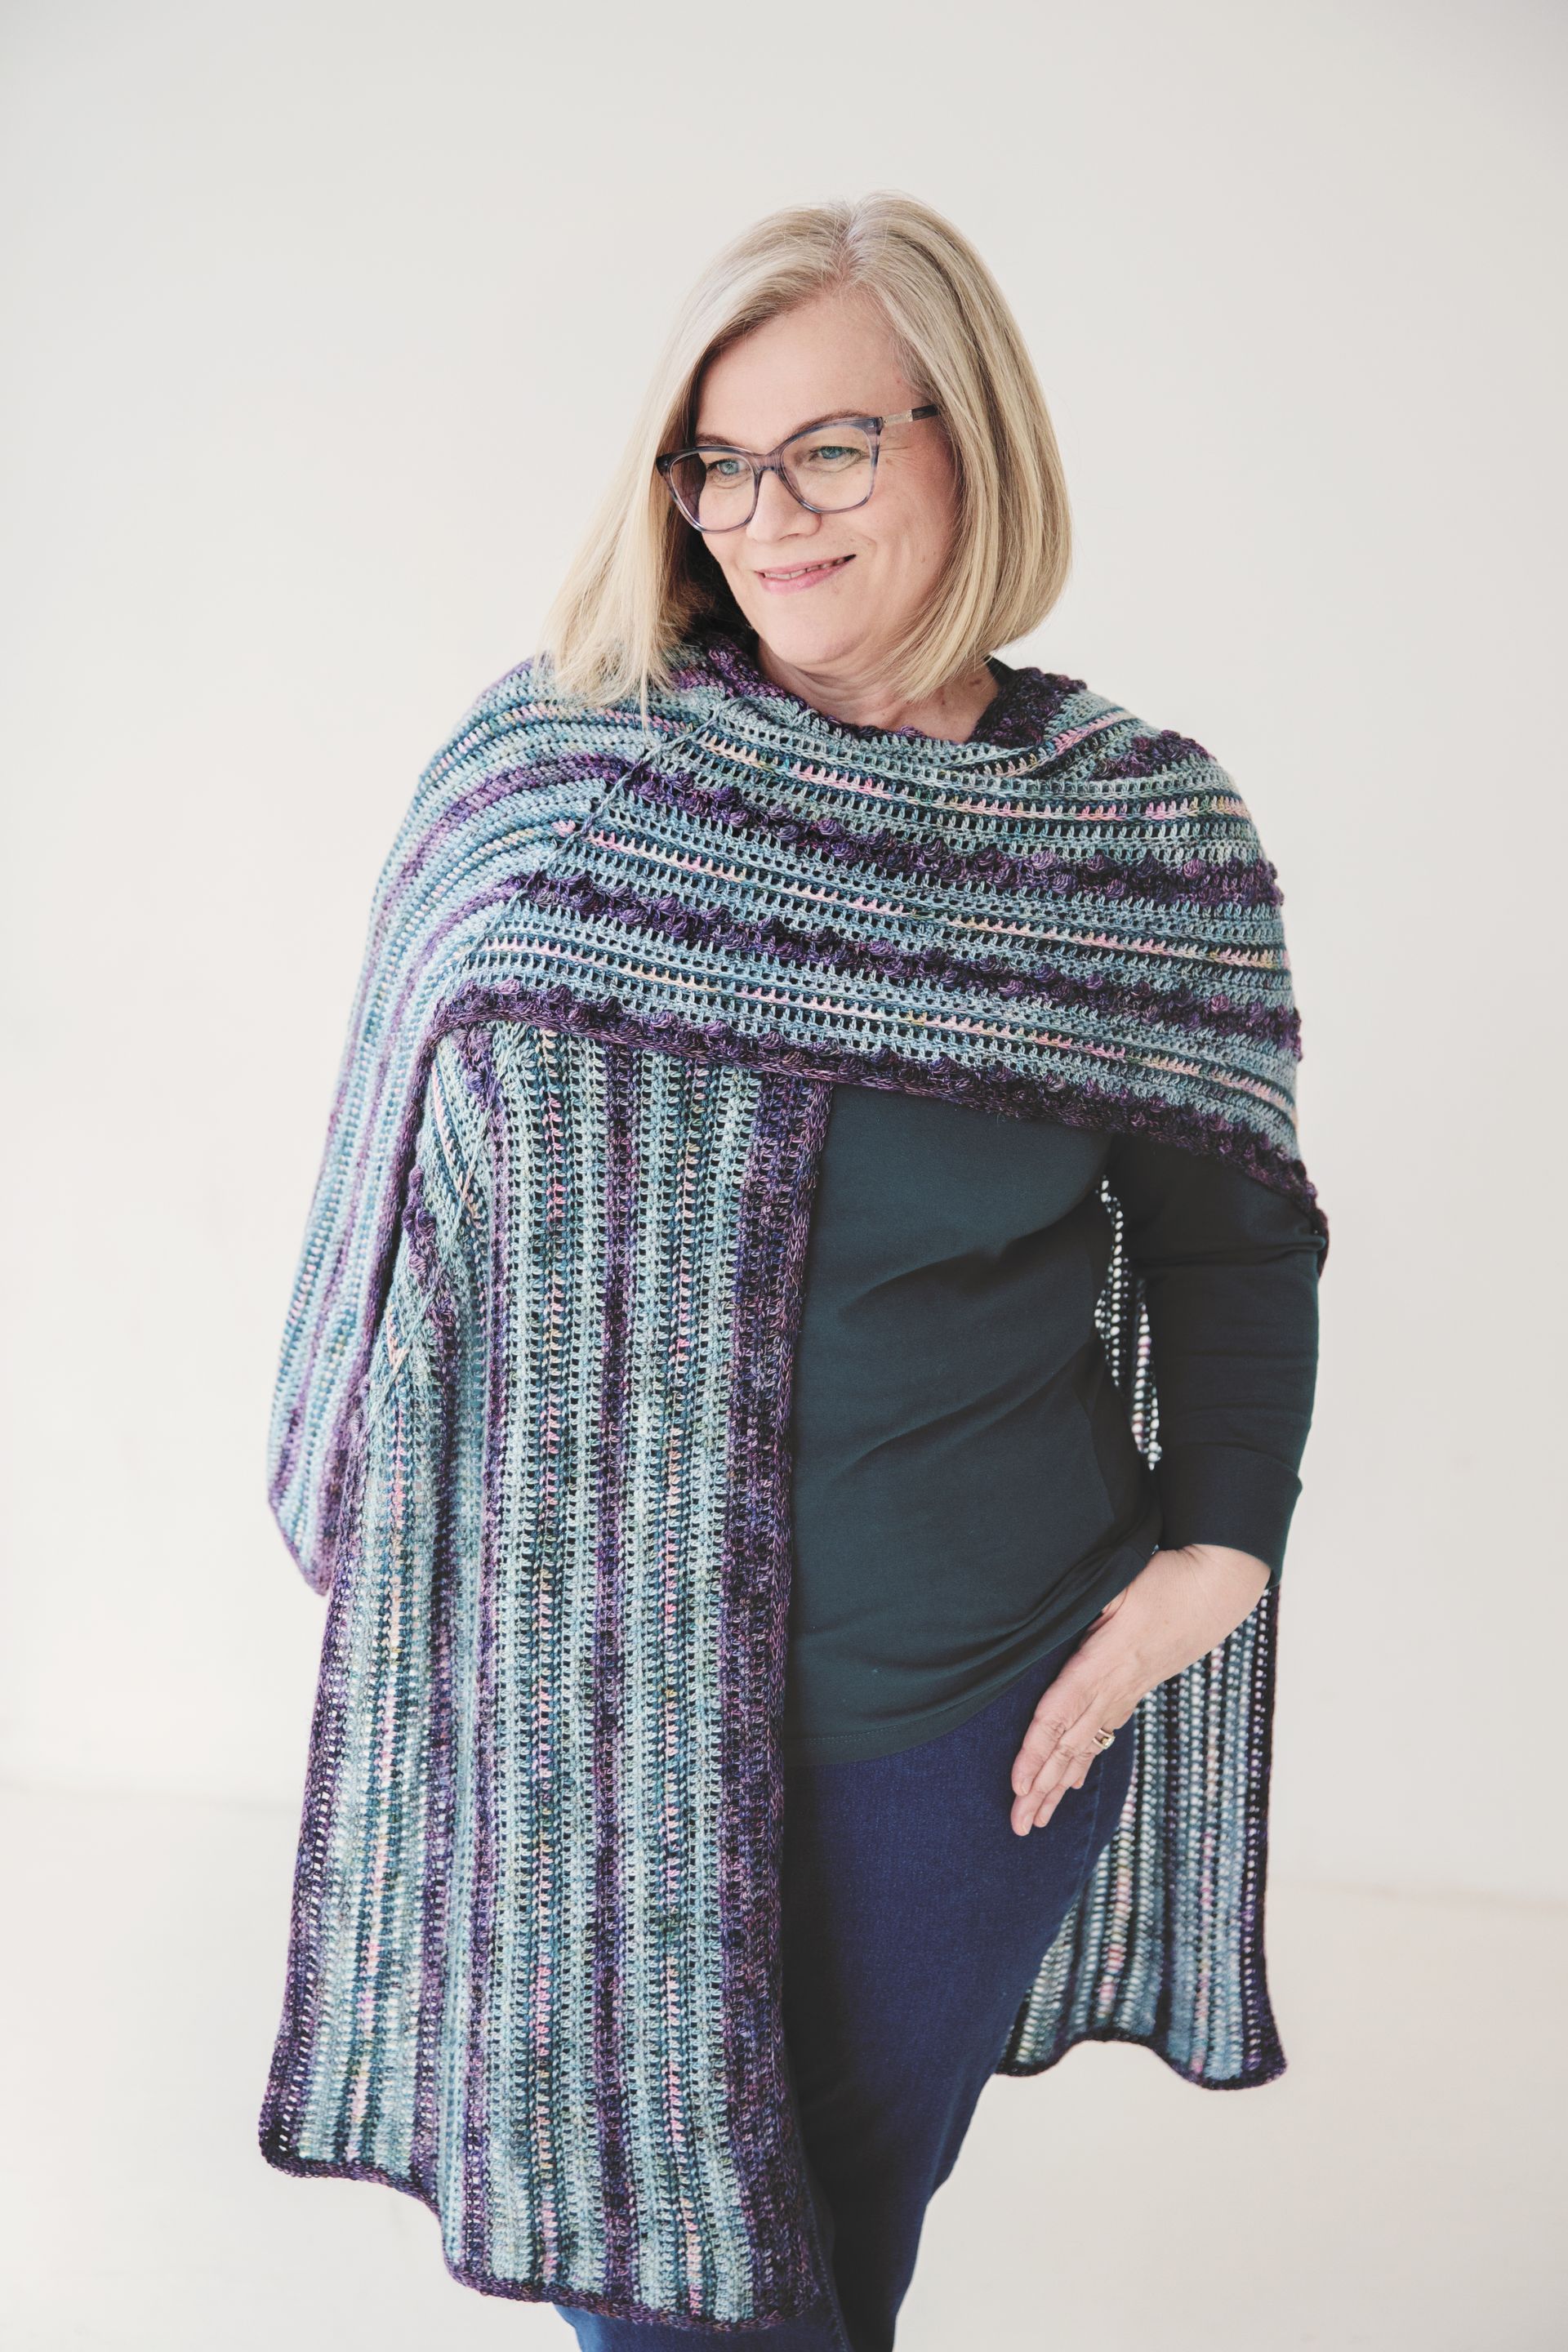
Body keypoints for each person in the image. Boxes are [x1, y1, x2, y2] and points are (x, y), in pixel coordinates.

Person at [259, 192, 1323, 2352]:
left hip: (974, 1735)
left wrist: (1223, 1548)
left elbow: (1234, 1233)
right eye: (720, 461)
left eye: (832, 447)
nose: (769, 511)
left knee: (826, 2272)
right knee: (686, 2310)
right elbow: (384, 1167)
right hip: (592, 1729)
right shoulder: (565, 770)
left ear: (970, 444)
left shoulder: (1133, 836)